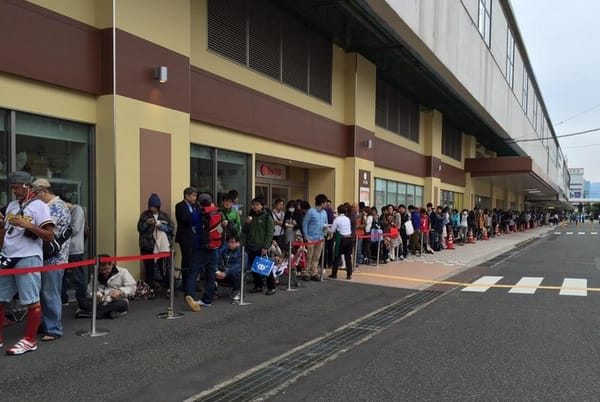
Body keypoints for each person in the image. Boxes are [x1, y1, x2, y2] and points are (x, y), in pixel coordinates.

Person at [0, 171, 55, 355]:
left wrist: (28, 225)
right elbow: (7, 234)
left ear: (26, 185)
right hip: (8, 256)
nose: (14, 191)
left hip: (29, 256)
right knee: (0, 298)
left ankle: (30, 340)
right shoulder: (12, 206)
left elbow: (49, 235)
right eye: (12, 187)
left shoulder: (39, 206)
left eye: (16, 187)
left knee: (31, 299)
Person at [32, 178, 71, 342]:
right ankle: (47, 323)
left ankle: (54, 328)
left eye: (35, 194)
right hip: (46, 257)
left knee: (50, 293)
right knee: (44, 293)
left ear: (44, 191)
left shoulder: (57, 207)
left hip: (55, 258)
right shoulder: (49, 206)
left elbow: (47, 231)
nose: (33, 198)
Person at [185, 193, 221, 310]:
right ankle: (207, 299)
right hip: (213, 247)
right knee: (211, 274)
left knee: (193, 273)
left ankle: (190, 295)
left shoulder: (196, 214)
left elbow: (192, 224)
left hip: (199, 247)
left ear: (199, 203)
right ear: (211, 202)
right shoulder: (216, 213)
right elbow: (220, 228)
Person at [75, 255, 136, 319]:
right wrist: (95, 294)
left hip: (117, 300)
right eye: (101, 270)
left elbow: (132, 288)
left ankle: (93, 313)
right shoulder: (96, 274)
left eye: (106, 269)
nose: (104, 272)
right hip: (100, 301)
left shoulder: (123, 272)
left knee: (121, 304)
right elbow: (89, 291)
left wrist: (120, 291)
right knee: (82, 302)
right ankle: (108, 313)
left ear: (112, 264)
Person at [136, 193, 174, 295]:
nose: (153, 209)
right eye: (151, 206)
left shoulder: (164, 215)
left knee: (165, 268)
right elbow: (140, 229)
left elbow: (171, 229)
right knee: (149, 268)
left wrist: (162, 226)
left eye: (155, 207)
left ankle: (168, 288)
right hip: (147, 246)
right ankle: (150, 289)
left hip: (162, 247)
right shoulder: (145, 215)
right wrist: (147, 223)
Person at [241, 197, 275, 295]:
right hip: (251, 245)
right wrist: (247, 223)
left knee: (265, 267)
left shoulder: (267, 217)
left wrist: (265, 246)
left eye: (257, 204)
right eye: (254, 204)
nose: (255, 206)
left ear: (262, 206)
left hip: (261, 246)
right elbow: (245, 230)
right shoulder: (251, 216)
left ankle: (271, 287)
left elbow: (269, 233)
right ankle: (258, 286)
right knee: (254, 268)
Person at [61, 193, 87, 308]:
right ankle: (63, 299)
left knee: (78, 277)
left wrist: (60, 232)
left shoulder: (77, 209)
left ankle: (82, 302)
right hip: (62, 249)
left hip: (75, 249)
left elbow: (75, 229)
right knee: (61, 275)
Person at [175, 187, 199, 296]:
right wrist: (195, 217)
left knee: (195, 260)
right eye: (193, 195)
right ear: (187, 196)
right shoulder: (180, 206)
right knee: (187, 260)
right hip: (185, 237)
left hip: (195, 236)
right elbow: (185, 219)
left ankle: (193, 283)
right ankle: (185, 284)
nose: (195, 197)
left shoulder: (195, 206)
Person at [301, 194, 328, 281]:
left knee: (316, 257)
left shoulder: (324, 213)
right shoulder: (311, 211)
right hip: (311, 238)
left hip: (320, 239)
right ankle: (306, 272)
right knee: (309, 256)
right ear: (322, 203)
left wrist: (325, 234)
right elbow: (305, 224)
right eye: (325, 202)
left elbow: (325, 225)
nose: (326, 204)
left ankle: (314, 272)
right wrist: (306, 237)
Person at [215, 236, 246, 303]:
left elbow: (240, 266)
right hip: (223, 272)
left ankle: (237, 292)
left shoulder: (242, 253)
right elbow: (217, 261)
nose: (229, 244)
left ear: (238, 243)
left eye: (232, 242)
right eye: (229, 242)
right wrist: (217, 271)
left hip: (233, 274)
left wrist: (226, 272)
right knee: (210, 270)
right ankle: (212, 291)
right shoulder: (225, 251)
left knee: (237, 272)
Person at [328, 204, 353, 279]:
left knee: (337, 256)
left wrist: (326, 228)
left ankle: (334, 274)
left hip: (341, 239)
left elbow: (332, 230)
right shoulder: (348, 219)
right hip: (349, 239)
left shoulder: (337, 219)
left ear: (338, 211)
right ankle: (349, 274)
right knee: (348, 257)